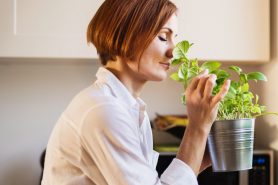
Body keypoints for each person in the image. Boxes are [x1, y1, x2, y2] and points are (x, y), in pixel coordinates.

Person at [41, 0, 230, 184]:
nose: (173, 52)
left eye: (175, 39)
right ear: (126, 35)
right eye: (163, 37)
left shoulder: (128, 108)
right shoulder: (104, 110)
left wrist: (195, 159)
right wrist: (197, 127)